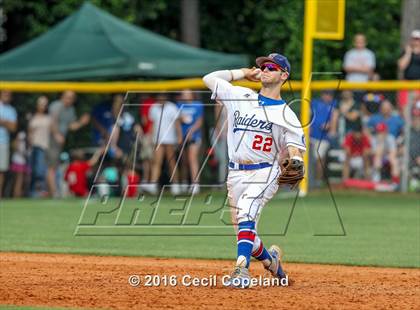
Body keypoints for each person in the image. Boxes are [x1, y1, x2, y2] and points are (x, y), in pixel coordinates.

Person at [203, 53, 306, 288]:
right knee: (244, 230)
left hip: (265, 172)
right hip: (235, 173)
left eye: (272, 67)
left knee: (247, 214)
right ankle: (272, 262)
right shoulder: (241, 95)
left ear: (284, 75)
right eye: (264, 66)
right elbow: (209, 78)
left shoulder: (286, 114)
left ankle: (241, 270)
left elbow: (294, 149)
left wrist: (296, 160)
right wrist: (242, 73)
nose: (266, 69)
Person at [47, 91, 90, 197]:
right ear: (62, 97)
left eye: (71, 98)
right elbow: (52, 121)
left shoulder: (70, 110)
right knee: (51, 167)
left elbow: (71, 126)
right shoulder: (56, 106)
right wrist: (56, 134)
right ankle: (54, 193)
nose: (69, 100)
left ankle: (55, 192)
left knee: (56, 166)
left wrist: (81, 122)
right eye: (67, 97)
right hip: (50, 139)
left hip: (60, 140)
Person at [147, 94, 182, 195]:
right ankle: (153, 185)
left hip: (170, 139)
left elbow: (177, 124)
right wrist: (150, 136)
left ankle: (176, 185)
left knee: (172, 163)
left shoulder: (172, 107)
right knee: (157, 162)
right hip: (157, 139)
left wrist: (179, 137)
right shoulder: (153, 108)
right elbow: (152, 124)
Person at [177, 90, 204, 194]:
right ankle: (184, 183)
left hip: (194, 136)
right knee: (183, 160)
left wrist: (191, 131)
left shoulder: (198, 105)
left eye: (186, 93)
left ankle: (195, 184)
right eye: (183, 93)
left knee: (192, 158)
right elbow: (177, 121)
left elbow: (200, 121)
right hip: (182, 137)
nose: (184, 94)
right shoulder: (179, 105)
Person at [309, 90, 337, 185]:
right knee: (306, 158)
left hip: (323, 137)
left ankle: (318, 181)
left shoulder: (334, 105)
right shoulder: (315, 103)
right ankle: (307, 180)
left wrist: (331, 125)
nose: (327, 96)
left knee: (319, 158)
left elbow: (335, 118)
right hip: (311, 135)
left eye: (329, 94)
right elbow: (308, 115)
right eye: (325, 94)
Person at [28, 95, 51, 196]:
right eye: (41, 104)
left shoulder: (48, 118)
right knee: (36, 170)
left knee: (41, 170)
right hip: (35, 146)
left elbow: (53, 132)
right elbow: (30, 133)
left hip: (45, 147)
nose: (42, 106)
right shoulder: (32, 117)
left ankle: (40, 190)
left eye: (44, 105)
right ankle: (34, 191)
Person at [397, 29, 420, 113]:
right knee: (404, 108)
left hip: (418, 84)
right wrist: (408, 53)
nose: (416, 41)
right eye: (414, 39)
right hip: (406, 83)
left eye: (418, 39)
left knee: (417, 110)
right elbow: (401, 66)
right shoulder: (406, 51)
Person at [0, 90, 17, 198]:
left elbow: (13, 127)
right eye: (5, 94)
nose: (7, 96)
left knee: (1, 170)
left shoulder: (11, 110)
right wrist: (6, 122)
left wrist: (2, 122)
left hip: (3, 142)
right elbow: (9, 125)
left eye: (8, 95)